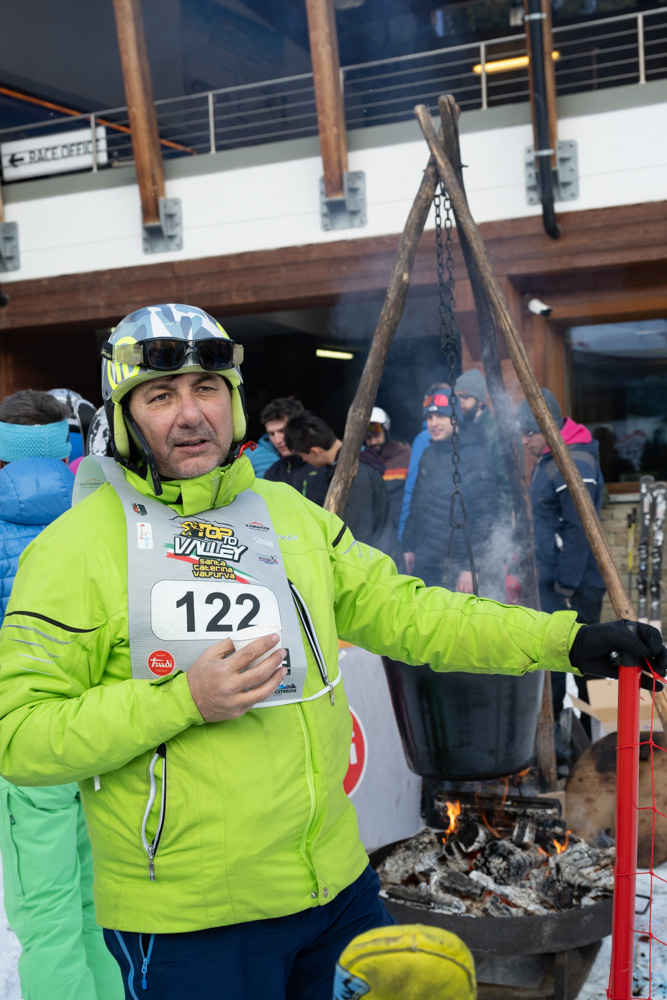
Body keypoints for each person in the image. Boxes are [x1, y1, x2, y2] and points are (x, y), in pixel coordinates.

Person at [0, 304, 664, 1000]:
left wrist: (566, 640)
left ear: (232, 400)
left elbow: (414, 613)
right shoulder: (76, 549)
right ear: (125, 415)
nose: (190, 414)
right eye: (160, 396)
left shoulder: (289, 518)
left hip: (335, 894)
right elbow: (20, 736)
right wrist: (183, 700)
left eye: (206, 389)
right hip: (191, 924)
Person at [0, 389, 123, 1000]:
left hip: (27, 730)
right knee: (97, 898)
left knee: (44, 907)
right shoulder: (102, 508)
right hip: (98, 723)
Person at [517, 387, 607, 720]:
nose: (524, 440)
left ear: (548, 425)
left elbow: (578, 529)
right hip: (555, 579)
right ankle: (558, 732)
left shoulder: (575, 461)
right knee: (557, 658)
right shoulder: (549, 459)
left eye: (529, 432)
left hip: (575, 584)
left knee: (585, 662)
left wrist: (565, 586)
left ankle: (591, 732)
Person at [402, 384, 504, 598]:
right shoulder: (428, 454)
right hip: (427, 560)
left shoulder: (476, 455)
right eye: (429, 418)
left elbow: (486, 517)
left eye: (441, 416)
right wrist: (409, 546)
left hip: (458, 565)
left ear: (455, 419)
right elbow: (416, 504)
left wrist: (471, 567)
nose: (433, 423)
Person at [284, 409, 398, 558]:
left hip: (374, 563)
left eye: (301, 456)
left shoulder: (353, 473)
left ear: (315, 451)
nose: (304, 460)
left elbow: (358, 532)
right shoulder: (351, 463)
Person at [364, 406, 411, 528]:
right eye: (368, 438)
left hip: (400, 525)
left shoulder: (405, 456)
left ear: (386, 431)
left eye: (376, 435)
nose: (373, 442)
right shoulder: (365, 461)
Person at [246, 395, 303, 478]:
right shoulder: (250, 456)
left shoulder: (317, 454)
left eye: (282, 431)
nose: (277, 440)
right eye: (271, 434)